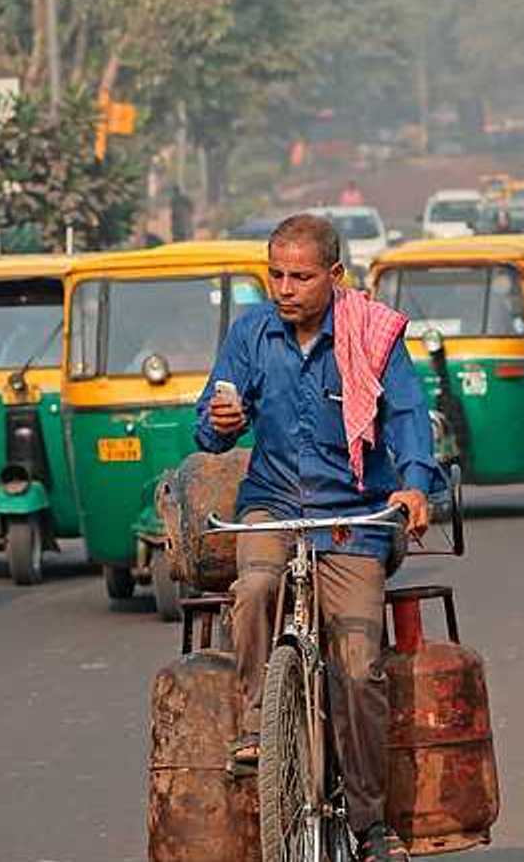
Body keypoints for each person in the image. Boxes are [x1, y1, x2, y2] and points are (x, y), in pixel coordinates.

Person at [195, 213, 442, 862]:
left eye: (300, 276)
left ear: (334, 276)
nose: (285, 287)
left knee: (360, 669)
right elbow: (209, 425)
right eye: (275, 274)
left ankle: (369, 822)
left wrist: (414, 485)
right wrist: (221, 421)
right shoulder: (251, 333)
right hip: (272, 505)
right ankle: (258, 722)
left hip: (350, 515)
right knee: (253, 587)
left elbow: (410, 416)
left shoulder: (371, 335)